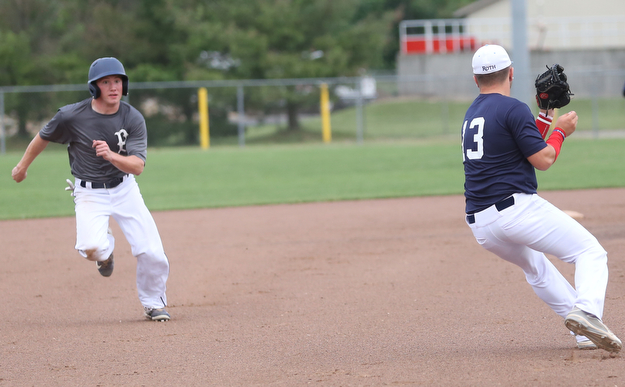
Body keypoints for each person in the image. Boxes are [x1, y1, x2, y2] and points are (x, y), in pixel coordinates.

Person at [461, 45, 621, 352]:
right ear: (511, 73)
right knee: (590, 252)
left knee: (536, 267)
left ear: (475, 80)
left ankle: (585, 333)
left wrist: (546, 115)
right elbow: (543, 159)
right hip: (515, 211)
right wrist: (560, 131)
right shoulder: (513, 108)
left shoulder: (472, 114)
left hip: (481, 224)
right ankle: (587, 312)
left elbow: (518, 145)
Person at [12, 57, 171, 322]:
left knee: (151, 251)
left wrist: (110, 156)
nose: (113, 87)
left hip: (125, 189)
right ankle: (105, 253)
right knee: (91, 248)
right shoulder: (71, 116)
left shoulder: (132, 118)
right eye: (106, 82)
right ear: (94, 87)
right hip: (89, 193)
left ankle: (153, 303)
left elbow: (138, 166)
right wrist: (21, 166)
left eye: (118, 81)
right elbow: (43, 137)